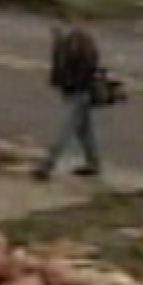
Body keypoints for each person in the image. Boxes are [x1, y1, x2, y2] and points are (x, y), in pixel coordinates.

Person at [35, 12, 101, 180]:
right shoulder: (67, 42)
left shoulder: (80, 42)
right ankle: (93, 163)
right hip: (73, 90)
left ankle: (47, 164)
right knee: (84, 129)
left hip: (77, 91)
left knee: (64, 129)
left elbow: (84, 67)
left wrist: (72, 84)